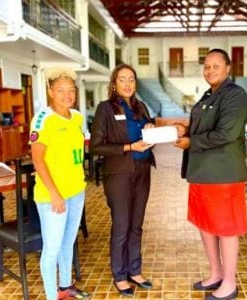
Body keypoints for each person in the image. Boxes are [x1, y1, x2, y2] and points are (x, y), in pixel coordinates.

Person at [175, 48, 247, 300]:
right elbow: (203, 127)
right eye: (206, 66)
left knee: (226, 229)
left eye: (216, 66)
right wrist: (185, 129)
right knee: (206, 225)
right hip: (201, 173)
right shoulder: (209, 94)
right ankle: (216, 273)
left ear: (228, 68)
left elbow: (226, 134)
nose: (210, 70)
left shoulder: (234, 95)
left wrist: (190, 142)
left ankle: (229, 283)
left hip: (223, 175)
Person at [90, 63, 155, 297]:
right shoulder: (105, 109)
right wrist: (129, 146)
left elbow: (150, 135)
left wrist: (150, 128)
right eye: (122, 79)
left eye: (131, 79)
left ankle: (134, 271)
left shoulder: (142, 107)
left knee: (136, 224)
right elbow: (97, 146)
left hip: (143, 170)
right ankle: (119, 274)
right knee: (122, 225)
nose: (127, 84)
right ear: (114, 83)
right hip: (118, 174)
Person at [30, 67, 90, 300]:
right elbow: (37, 158)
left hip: (76, 190)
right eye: (60, 90)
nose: (67, 95)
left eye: (71, 90)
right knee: (52, 248)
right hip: (52, 195)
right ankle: (51, 296)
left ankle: (65, 287)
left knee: (68, 242)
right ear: (50, 92)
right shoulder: (42, 119)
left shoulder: (77, 117)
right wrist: (55, 194)